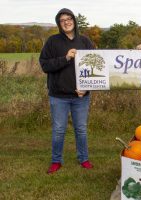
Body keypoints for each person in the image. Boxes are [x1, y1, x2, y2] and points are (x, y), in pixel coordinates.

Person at [39, 8, 94, 174]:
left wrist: (86, 88)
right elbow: (45, 65)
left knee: (81, 129)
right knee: (58, 130)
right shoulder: (52, 42)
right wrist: (66, 58)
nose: (66, 22)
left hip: (81, 96)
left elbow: (95, 66)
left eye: (69, 18)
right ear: (59, 23)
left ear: (74, 21)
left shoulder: (85, 41)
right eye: (62, 20)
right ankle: (56, 160)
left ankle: (83, 158)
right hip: (58, 96)